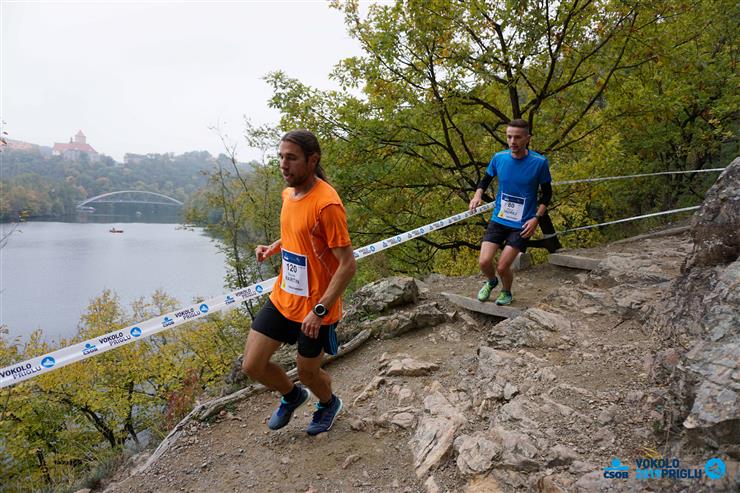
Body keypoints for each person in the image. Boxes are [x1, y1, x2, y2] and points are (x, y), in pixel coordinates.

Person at [242, 129, 356, 435]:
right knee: (252, 365)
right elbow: (299, 233)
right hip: (284, 297)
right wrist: (273, 247)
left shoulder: (327, 205)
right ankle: (292, 396)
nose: (283, 164)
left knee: (308, 372)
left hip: (316, 308)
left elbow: (347, 265)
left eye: (291, 158)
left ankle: (328, 403)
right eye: (280, 157)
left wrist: (319, 311)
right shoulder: (288, 194)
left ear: (312, 160)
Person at [468, 119, 552, 305]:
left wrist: (536, 218)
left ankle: (506, 292)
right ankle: (491, 281)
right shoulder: (499, 158)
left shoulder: (539, 162)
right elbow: (485, 180)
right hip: (499, 218)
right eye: (509, 137)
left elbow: (547, 194)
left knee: (502, 266)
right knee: (484, 262)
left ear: (527, 138)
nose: (512, 141)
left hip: (522, 224)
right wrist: (477, 195)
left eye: (517, 137)